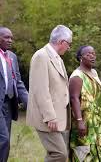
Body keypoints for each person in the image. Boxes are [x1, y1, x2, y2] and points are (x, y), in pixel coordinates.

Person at [26, 25, 72, 162]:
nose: (69, 48)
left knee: (62, 154)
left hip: (60, 117)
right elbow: (40, 90)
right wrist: (50, 116)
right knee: (59, 154)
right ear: (61, 42)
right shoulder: (41, 56)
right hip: (47, 118)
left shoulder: (57, 58)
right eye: (69, 44)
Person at [69, 46, 101, 161]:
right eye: (88, 54)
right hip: (84, 123)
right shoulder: (77, 76)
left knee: (98, 151)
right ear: (81, 58)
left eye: (94, 54)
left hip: (98, 122)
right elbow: (74, 98)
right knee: (84, 154)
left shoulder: (94, 73)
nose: (92, 56)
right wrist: (79, 121)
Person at [0, 27, 28, 162]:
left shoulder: (12, 57)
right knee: (3, 139)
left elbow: (18, 82)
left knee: (6, 141)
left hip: (8, 104)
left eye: (11, 38)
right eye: (6, 37)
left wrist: (30, 103)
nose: (10, 40)